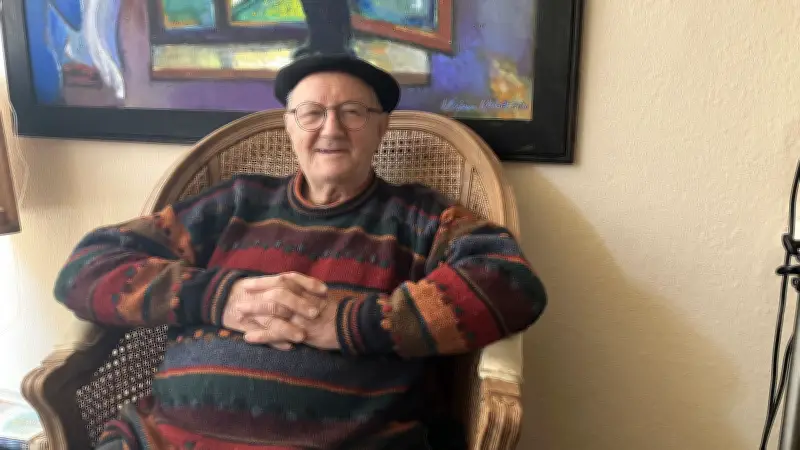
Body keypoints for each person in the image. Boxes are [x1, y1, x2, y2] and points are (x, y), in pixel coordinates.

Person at [53, 54, 547, 450]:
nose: (331, 129)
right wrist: (219, 297)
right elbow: (86, 268)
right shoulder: (233, 204)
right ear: (289, 127)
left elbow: (511, 285)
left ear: (381, 129)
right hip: (165, 438)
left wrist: (350, 323)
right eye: (311, 113)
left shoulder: (422, 219)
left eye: (353, 112)